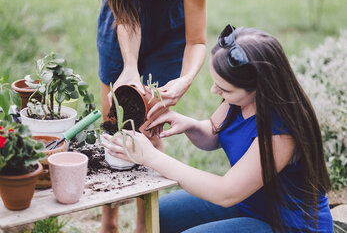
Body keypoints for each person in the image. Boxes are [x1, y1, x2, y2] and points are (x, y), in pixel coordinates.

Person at [102, 25, 334, 232]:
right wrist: (189, 125)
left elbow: (226, 193)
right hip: (250, 204)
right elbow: (214, 134)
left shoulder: (281, 132)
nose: (215, 91)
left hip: (288, 225)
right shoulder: (238, 102)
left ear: (259, 87)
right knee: (162, 214)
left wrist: (151, 156)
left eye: (224, 88)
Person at [97, 0, 207, 232]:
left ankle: (144, 225)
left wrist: (186, 78)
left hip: (170, 21)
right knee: (113, 124)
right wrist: (129, 67)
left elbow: (197, 41)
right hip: (121, 17)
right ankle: (108, 223)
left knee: (148, 128)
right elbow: (126, 16)